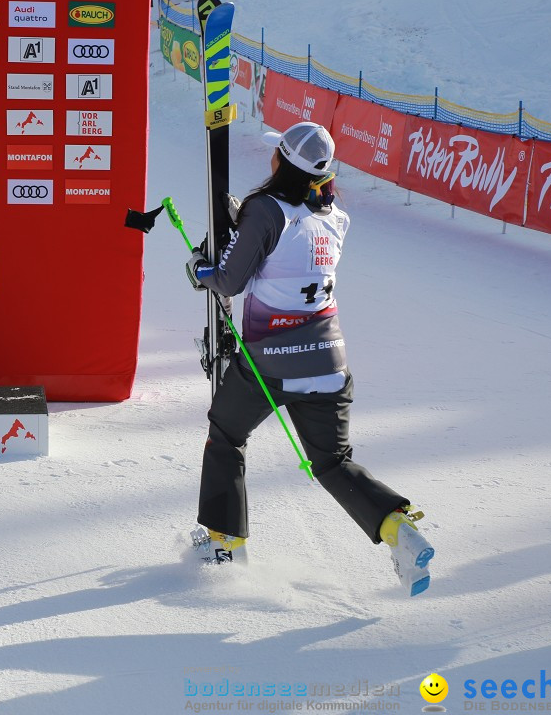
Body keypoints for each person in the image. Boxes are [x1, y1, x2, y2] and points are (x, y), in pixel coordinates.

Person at [185, 121, 435, 596]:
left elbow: (231, 280)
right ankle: (398, 530)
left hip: (271, 361)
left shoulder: (264, 209)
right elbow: (290, 239)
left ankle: (224, 541)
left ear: (280, 159)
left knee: (226, 436)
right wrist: (245, 225)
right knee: (332, 463)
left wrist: (202, 269)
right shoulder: (335, 215)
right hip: (328, 360)